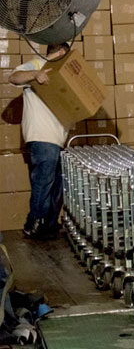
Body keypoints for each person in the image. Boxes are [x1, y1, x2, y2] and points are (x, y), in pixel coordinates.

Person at [9, 43, 70, 239]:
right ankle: (33, 223)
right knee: (44, 181)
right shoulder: (37, 64)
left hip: (59, 138)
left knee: (57, 185)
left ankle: (49, 225)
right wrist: (35, 75)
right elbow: (13, 77)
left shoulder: (64, 73)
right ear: (61, 52)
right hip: (42, 135)